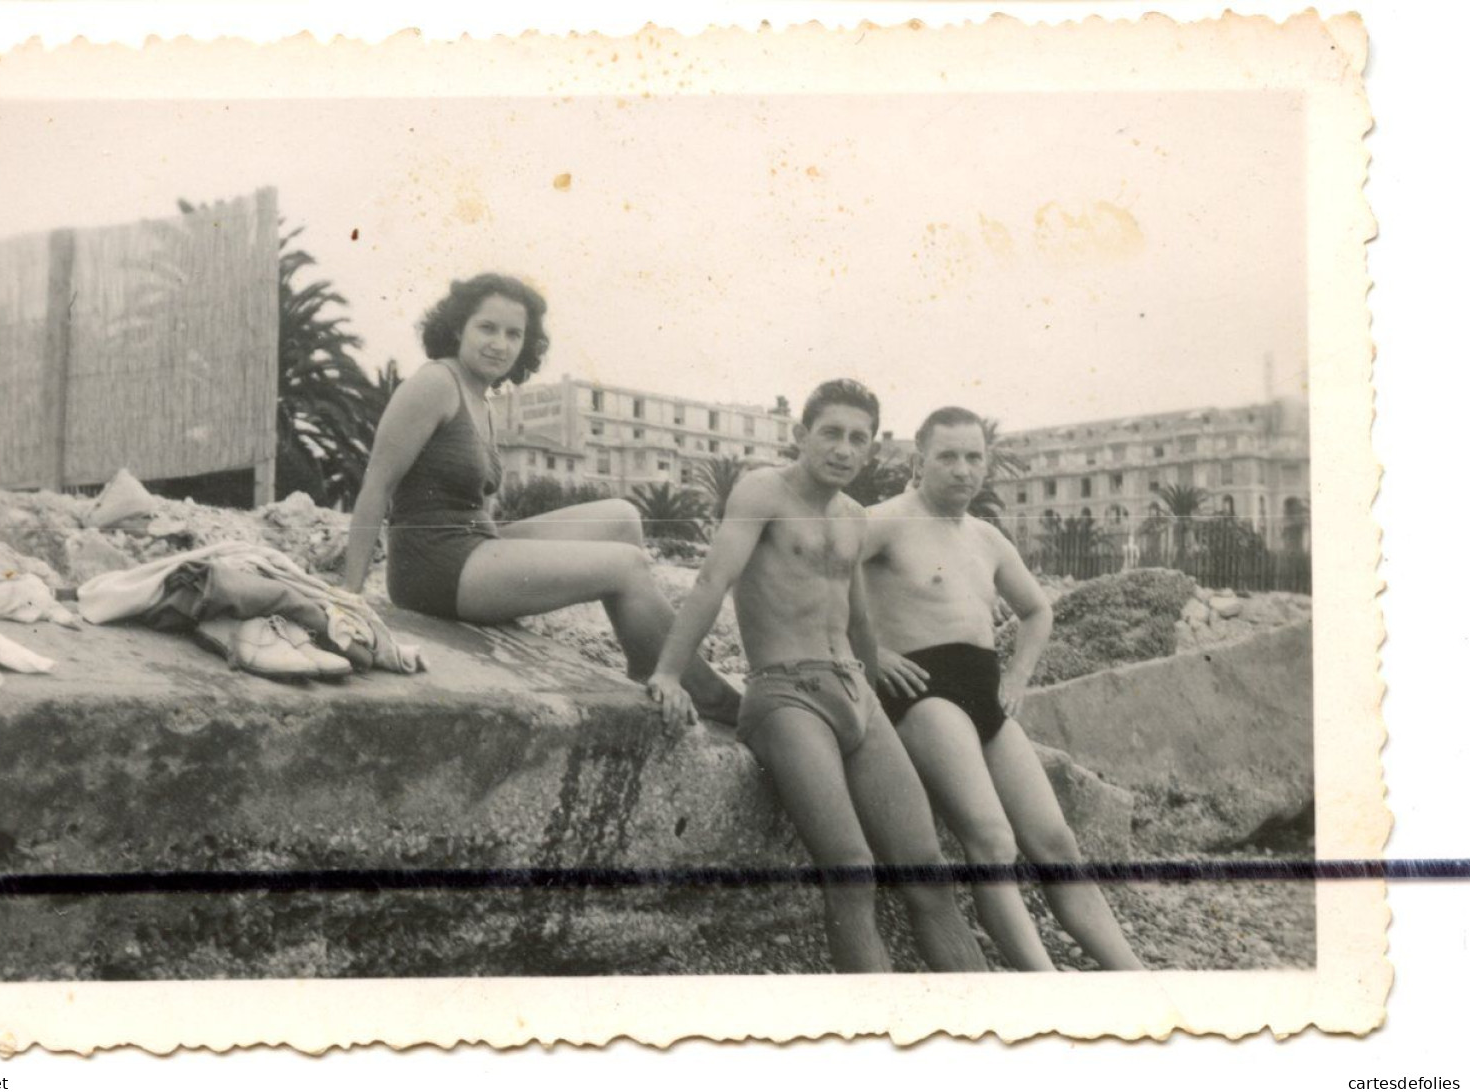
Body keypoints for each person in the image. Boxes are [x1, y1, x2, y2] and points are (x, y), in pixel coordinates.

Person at [646, 380, 987, 974]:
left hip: (857, 695)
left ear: (873, 451)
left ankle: (988, 1032)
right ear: (801, 436)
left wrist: (883, 697)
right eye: (830, 433)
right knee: (852, 872)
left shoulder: (854, 515)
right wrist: (670, 673)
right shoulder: (763, 491)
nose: (844, 449)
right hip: (787, 696)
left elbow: (857, 619)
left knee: (928, 875)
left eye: (859, 439)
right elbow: (711, 582)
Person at [344, 273, 739, 722]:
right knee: (626, 566)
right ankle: (704, 690)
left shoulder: (483, 398)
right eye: (487, 328)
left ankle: (644, 660)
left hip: (474, 546)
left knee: (622, 517)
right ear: (458, 327)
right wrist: (349, 600)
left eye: (514, 334)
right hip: (432, 568)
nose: (501, 344)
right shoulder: (434, 383)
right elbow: (376, 486)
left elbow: (475, 502)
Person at [863, 405, 1143, 971]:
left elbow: (1038, 611)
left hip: (985, 696)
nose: (963, 469)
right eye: (948, 456)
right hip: (921, 695)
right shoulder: (886, 520)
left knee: (1056, 842)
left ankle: (1135, 978)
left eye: (974, 457)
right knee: (992, 842)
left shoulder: (986, 537)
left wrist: (1016, 679)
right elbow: (813, 582)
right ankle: (1042, 986)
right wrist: (871, 654)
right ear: (919, 461)